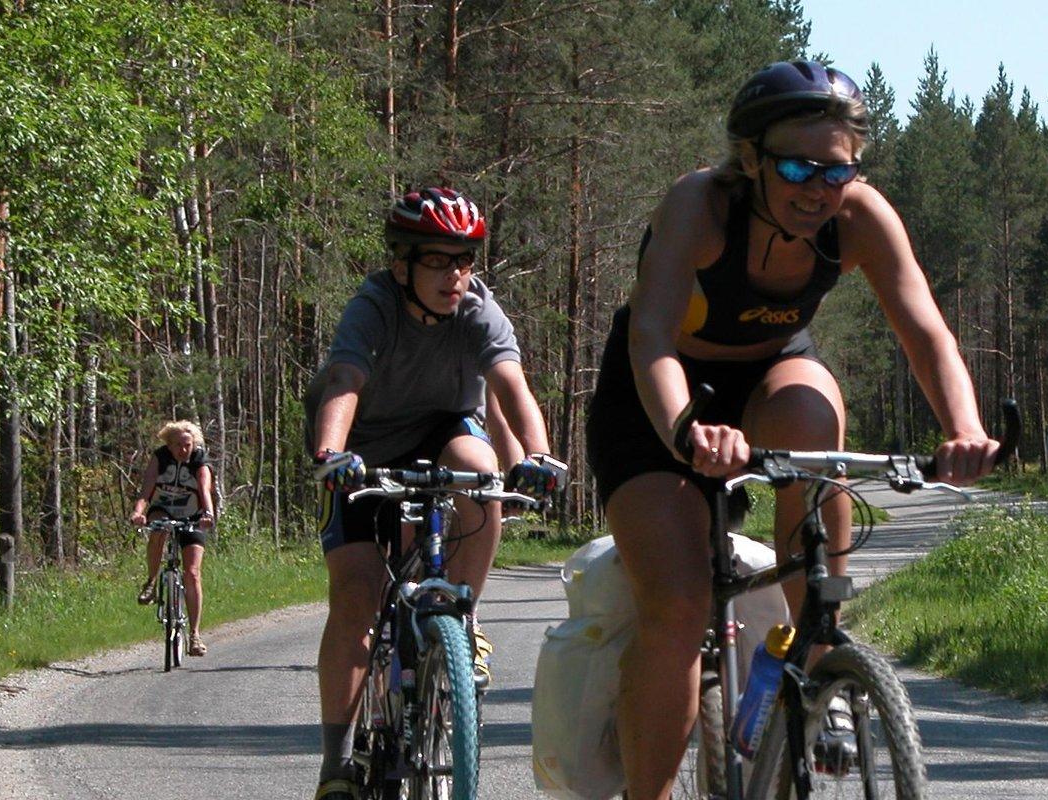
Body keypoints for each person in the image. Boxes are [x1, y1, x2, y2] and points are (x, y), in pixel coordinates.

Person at [586, 60, 1003, 799]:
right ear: (750, 159)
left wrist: (963, 428)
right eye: (797, 167)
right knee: (680, 607)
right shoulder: (700, 206)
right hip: (659, 395)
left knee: (814, 419)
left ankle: (813, 656)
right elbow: (650, 336)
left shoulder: (859, 216)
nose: (818, 189)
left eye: (837, 171)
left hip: (771, 378)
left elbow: (926, 332)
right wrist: (688, 432)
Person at [306, 186, 564, 800]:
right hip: (363, 448)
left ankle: (462, 618)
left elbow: (510, 383)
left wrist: (538, 454)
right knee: (357, 597)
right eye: (439, 260)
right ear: (402, 264)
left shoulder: (477, 308)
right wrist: (330, 454)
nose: (455, 274)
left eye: (465, 259)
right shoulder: (374, 305)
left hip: (443, 432)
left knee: (482, 468)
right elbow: (344, 377)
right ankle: (336, 765)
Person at [127, 420, 217, 656]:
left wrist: (208, 514)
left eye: (187, 444)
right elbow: (146, 489)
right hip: (163, 509)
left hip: (193, 513)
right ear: (169, 444)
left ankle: (195, 635)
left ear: (193, 444)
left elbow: (204, 488)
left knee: (193, 573)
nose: (182, 449)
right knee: (158, 530)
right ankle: (152, 581)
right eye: (177, 445)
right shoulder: (160, 457)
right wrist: (138, 512)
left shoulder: (199, 460)